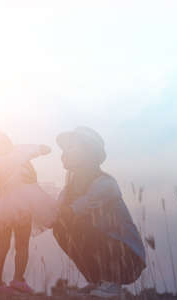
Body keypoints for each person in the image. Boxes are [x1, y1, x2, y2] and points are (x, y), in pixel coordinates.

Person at [52, 126, 146, 298]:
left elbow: (74, 211)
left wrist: (54, 212)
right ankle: (97, 280)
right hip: (106, 246)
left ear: (90, 154)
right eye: (64, 149)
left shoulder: (104, 184)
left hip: (127, 257)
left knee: (79, 225)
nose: (64, 153)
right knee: (61, 228)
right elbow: (57, 214)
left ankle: (112, 283)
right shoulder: (68, 189)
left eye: (71, 147)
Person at [0, 129, 58, 295]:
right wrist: (41, 149)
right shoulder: (16, 153)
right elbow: (40, 149)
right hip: (23, 203)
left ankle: (1, 282)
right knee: (15, 245)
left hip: (6, 205)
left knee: (7, 246)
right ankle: (12, 281)